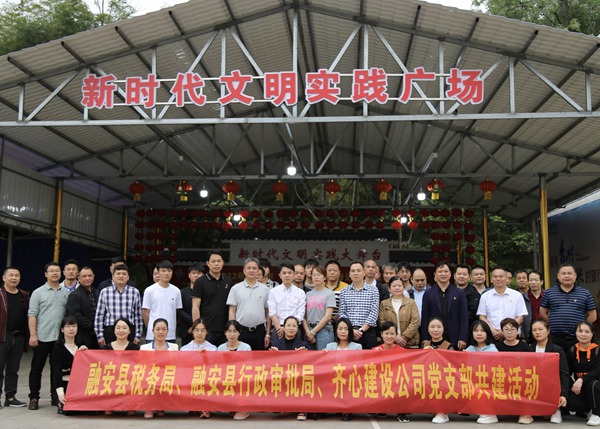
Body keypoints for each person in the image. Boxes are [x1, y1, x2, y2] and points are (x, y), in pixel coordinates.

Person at [28, 262, 70, 410]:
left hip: (59, 339)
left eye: (57, 271)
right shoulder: (38, 292)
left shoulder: (66, 293)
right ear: (46, 274)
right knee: (36, 368)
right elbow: (32, 315)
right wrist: (33, 335)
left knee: (57, 369)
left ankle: (56, 397)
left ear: (61, 273)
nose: (54, 273)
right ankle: (34, 397)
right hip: (42, 337)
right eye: (51, 271)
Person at [540, 263, 597, 351]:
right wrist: (554, 323)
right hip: (555, 338)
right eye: (563, 273)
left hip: (577, 339)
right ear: (558, 276)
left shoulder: (585, 293)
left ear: (575, 276)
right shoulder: (549, 293)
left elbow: (593, 316)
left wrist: (582, 329)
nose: (566, 276)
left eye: (569, 273)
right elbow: (542, 313)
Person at [420, 261, 469, 350]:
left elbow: (464, 317)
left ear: (450, 274)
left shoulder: (459, 293)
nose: (443, 274)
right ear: (435, 274)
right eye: (440, 271)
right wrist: (425, 338)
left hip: (454, 338)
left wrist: (463, 338)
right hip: (434, 338)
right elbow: (425, 317)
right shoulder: (428, 293)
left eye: (446, 271)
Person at [530, 319, 569, 424]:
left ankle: (556, 409)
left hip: (551, 385)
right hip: (534, 384)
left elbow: (564, 373)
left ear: (548, 331)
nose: (537, 332)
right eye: (534, 330)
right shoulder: (529, 349)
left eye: (540, 329)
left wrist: (563, 394)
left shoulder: (557, 350)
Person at [0, 266, 29, 408]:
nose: (14, 278)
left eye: (17, 275)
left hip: (19, 337)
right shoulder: (0, 294)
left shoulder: (24, 295)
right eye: (11, 275)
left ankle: (10, 397)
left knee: (13, 369)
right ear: (4, 277)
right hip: (2, 337)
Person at [227, 257, 271, 350]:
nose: (251, 270)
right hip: (241, 331)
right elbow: (232, 311)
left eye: (254, 268)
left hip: (259, 331)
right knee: (241, 358)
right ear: (244, 270)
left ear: (258, 271)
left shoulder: (265, 289)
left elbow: (268, 313)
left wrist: (267, 334)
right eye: (249, 268)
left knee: (259, 357)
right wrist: (233, 331)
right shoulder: (235, 288)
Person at [94, 264, 143, 347]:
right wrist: (99, 335)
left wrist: (138, 335)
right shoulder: (105, 292)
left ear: (128, 277)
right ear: (113, 277)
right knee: (110, 355)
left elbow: (138, 316)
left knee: (128, 355)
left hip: (128, 330)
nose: (121, 276)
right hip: (110, 330)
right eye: (118, 274)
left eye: (124, 274)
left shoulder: (134, 292)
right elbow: (99, 316)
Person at [191, 251, 233, 347]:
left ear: (223, 263)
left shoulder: (229, 281)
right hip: (206, 330)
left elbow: (232, 307)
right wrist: (197, 328)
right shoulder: (200, 282)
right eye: (213, 261)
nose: (216, 264)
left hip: (225, 329)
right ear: (208, 263)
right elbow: (195, 307)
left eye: (219, 261)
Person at [325, 317, 362, 421]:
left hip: (349, 380)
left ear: (350, 331)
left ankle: (347, 408)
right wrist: (323, 355)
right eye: (340, 328)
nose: (343, 332)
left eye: (346, 329)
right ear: (336, 330)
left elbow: (358, 367)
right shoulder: (329, 346)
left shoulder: (357, 347)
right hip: (333, 379)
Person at [140, 318, 178, 419]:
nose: (161, 332)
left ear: (167, 331)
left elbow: (176, 365)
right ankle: (149, 406)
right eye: (158, 329)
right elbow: (142, 366)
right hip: (150, 377)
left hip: (167, 377)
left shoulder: (174, 347)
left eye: (164, 329)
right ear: (152, 331)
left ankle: (160, 405)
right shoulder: (144, 348)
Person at [476, 267, 528, 341]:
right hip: (491, 335)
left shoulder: (517, 295)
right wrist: (492, 330)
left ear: (506, 279)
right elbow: (482, 316)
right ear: (491, 279)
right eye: (495, 277)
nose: (498, 279)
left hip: (512, 336)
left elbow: (521, 317)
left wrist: (506, 331)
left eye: (501, 276)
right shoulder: (485, 296)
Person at [373, 321, 409, 422]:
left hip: (397, 380)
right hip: (381, 380)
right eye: (386, 333)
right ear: (381, 334)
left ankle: (401, 412)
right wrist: (374, 355)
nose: (389, 336)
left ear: (396, 335)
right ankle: (382, 409)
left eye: (392, 334)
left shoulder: (402, 351)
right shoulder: (375, 350)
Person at [338, 262, 379, 350]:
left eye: (358, 271)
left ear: (364, 272)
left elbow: (374, 312)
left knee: (369, 357)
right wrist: (351, 330)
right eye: (353, 271)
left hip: (368, 331)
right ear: (349, 274)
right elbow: (342, 312)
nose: (355, 273)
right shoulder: (344, 291)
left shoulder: (373, 290)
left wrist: (361, 330)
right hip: (349, 332)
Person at [51, 316, 87, 415]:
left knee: (91, 410)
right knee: (70, 411)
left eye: (74, 326)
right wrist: (60, 393)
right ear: (62, 329)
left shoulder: (82, 346)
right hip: (66, 384)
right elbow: (56, 372)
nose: (71, 329)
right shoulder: (57, 348)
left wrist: (85, 354)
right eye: (68, 326)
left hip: (81, 384)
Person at [464, 320, 498, 424]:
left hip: (488, 382)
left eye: (482, 331)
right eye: (476, 331)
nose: (479, 333)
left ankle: (490, 413)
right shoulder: (469, 349)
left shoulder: (493, 350)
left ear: (487, 333)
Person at [217, 320, 252, 420]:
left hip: (241, 377)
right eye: (229, 331)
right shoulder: (221, 348)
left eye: (235, 331)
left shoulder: (246, 347)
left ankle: (244, 409)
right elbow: (218, 367)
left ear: (239, 333)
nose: (232, 334)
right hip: (225, 378)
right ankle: (231, 407)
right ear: (225, 333)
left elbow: (248, 367)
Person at [142, 260, 182, 343]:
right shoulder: (149, 290)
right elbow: (145, 313)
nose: (166, 273)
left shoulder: (176, 291)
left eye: (169, 271)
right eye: (163, 271)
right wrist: (151, 328)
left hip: (170, 334)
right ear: (158, 272)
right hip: (153, 335)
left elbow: (177, 312)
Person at [378, 275, 420, 348]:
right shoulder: (384, 304)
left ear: (403, 288)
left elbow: (415, 321)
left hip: (410, 342)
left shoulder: (411, 303)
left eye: (399, 286)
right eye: (394, 286)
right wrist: (395, 337)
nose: (397, 288)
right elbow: (382, 322)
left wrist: (404, 337)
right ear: (389, 289)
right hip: (390, 342)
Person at [268, 262, 306, 340]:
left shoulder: (300, 292)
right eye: (284, 273)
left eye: (289, 273)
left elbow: (301, 313)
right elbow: (272, 313)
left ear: (294, 274)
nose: (287, 275)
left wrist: (291, 326)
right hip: (279, 329)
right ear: (280, 275)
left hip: (295, 329)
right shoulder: (273, 292)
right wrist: (279, 328)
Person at [303, 266, 335, 350]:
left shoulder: (330, 294)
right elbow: (303, 316)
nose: (316, 277)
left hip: (324, 330)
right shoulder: (307, 294)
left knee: (324, 355)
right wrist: (308, 332)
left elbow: (328, 316)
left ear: (325, 277)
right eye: (314, 275)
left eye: (319, 275)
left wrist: (313, 332)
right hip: (309, 329)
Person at [66, 266, 98, 349]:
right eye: (84, 276)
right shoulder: (74, 295)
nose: (87, 278)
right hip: (82, 335)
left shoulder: (97, 292)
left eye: (90, 276)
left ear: (93, 276)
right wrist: (91, 325)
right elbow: (75, 315)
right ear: (78, 278)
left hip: (97, 334)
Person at [178, 263, 204, 346]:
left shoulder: (206, 292)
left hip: (203, 330)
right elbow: (180, 310)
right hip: (186, 330)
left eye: (198, 273)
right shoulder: (182, 292)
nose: (196, 275)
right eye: (193, 273)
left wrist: (197, 326)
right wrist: (193, 324)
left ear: (203, 275)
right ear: (189, 275)